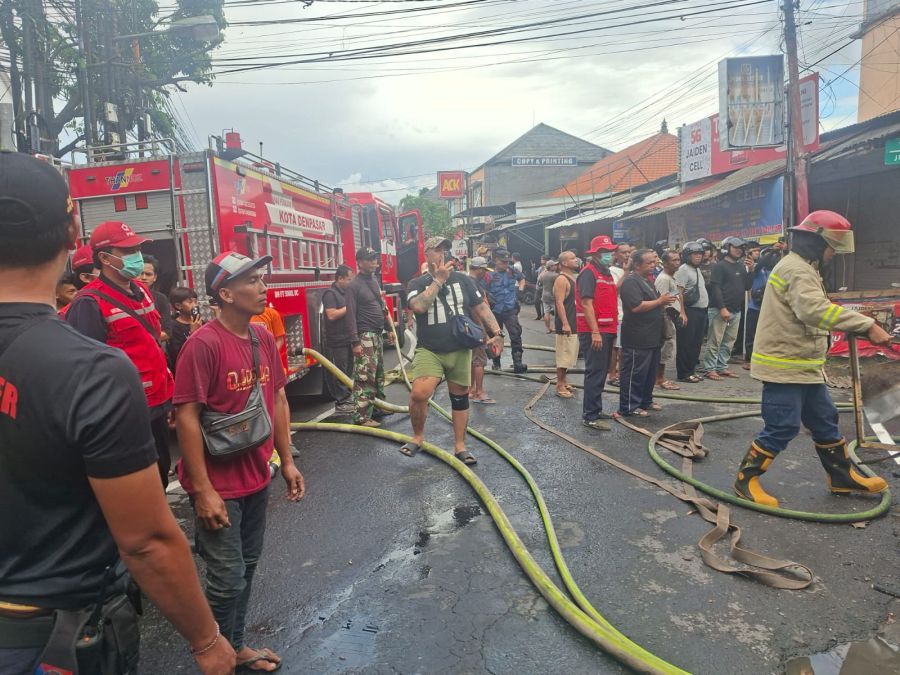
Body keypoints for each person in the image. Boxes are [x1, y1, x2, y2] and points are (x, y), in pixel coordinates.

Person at [0, 152, 235, 675]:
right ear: (73, 235)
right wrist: (207, 641)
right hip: (52, 636)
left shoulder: (131, 310)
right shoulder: (90, 369)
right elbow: (146, 541)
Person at [175, 251, 306, 672]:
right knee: (227, 577)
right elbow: (187, 416)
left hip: (257, 476)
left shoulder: (261, 337)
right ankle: (216, 657)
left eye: (261, 278)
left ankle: (235, 646)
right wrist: (203, 490)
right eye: (252, 281)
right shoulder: (203, 344)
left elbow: (279, 398)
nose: (263, 287)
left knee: (247, 568)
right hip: (219, 486)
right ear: (226, 294)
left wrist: (287, 460)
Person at [733, 211, 891, 507]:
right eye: (832, 246)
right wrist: (866, 325)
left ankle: (841, 477)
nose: (834, 253)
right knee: (782, 426)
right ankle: (746, 480)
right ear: (817, 242)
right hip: (785, 367)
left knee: (825, 420)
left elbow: (814, 307)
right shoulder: (797, 269)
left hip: (804, 366)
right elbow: (813, 311)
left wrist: (856, 320)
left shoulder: (804, 267)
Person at [66, 220, 175, 488]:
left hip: (158, 401)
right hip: (126, 409)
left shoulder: (143, 291)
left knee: (161, 469)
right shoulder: (89, 302)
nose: (136, 256)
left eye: (136, 249)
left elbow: (152, 345)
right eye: (127, 251)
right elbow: (87, 370)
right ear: (104, 258)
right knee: (139, 481)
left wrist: (169, 399)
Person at [399, 237, 504, 465]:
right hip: (430, 349)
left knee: (460, 397)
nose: (442, 254)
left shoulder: (464, 280)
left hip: (460, 348)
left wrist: (497, 333)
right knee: (419, 394)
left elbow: (481, 306)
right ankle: (417, 437)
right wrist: (438, 280)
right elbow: (418, 306)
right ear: (426, 254)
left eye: (444, 250)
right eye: (436, 250)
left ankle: (460, 446)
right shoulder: (416, 283)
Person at [616, 249, 677, 418]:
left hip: (652, 335)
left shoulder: (648, 280)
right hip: (637, 337)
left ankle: (645, 401)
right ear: (637, 265)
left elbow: (654, 302)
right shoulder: (631, 282)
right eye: (649, 263)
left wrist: (664, 300)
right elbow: (636, 306)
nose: (653, 265)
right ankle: (629, 406)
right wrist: (660, 301)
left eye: (654, 262)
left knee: (649, 373)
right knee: (634, 373)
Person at [346, 246, 395, 427]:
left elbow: (382, 307)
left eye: (375, 258)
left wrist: (389, 328)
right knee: (365, 376)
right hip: (364, 336)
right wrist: (355, 342)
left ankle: (378, 407)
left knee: (378, 374)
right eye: (369, 259)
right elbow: (350, 316)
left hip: (377, 333)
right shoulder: (354, 286)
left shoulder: (373, 281)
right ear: (359, 262)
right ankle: (361, 417)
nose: (374, 262)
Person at [575, 235, 619, 430]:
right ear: (595, 254)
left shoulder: (606, 273)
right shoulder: (588, 273)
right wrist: (594, 332)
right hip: (594, 331)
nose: (609, 255)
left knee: (601, 372)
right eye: (604, 252)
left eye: (610, 251)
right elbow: (586, 304)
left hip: (606, 329)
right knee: (595, 372)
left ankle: (596, 409)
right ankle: (590, 416)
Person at [702, 236, 753, 380]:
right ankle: (710, 369)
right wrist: (722, 308)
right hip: (719, 309)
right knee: (715, 340)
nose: (739, 250)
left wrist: (751, 270)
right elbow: (716, 288)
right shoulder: (719, 266)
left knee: (729, 341)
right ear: (727, 248)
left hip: (736, 310)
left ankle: (721, 367)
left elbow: (747, 286)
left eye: (741, 248)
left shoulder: (741, 266)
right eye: (735, 247)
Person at [487, 248, 527, 373]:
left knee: (516, 334)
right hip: (494, 311)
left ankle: (518, 363)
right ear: (496, 260)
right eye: (503, 262)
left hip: (510, 309)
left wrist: (520, 290)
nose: (506, 264)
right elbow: (481, 288)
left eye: (507, 262)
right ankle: (496, 362)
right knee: (495, 337)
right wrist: (487, 297)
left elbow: (522, 278)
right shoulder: (489, 274)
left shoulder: (512, 271)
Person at [322, 264, 355, 414]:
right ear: (340, 278)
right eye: (349, 279)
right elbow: (331, 315)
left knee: (348, 370)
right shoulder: (330, 294)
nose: (350, 282)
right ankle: (341, 402)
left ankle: (348, 398)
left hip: (348, 338)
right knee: (340, 371)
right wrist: (350, 307)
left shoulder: (346, 293)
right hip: (337, 340)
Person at [673, 241, 708, 383]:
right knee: (686, 343)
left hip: (700, 311)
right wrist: (682, 312)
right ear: (687, 255)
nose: (698, 256)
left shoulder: (696, 269)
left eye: (700, 254)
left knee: (696, 343)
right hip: (689, 311)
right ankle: (684, 373)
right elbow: (678, 292)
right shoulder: (683, 270)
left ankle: (691, 370)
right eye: (695, 254)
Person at [740, 247, 780, 371]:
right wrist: (773, 251)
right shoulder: (758, 269)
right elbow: (763, 262)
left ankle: (765, 359)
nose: (771, 258)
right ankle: (748, 360)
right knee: (751, 335)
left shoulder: (776, 271)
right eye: (767, 256)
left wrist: (779, 252)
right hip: (754, 307)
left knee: (768, 336)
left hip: (769, 308)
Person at [654, 250, 685, 391]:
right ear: (665, 263)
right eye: (673, 260)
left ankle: (660, 377)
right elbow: (662, 300)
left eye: (678, 260)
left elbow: (673, 295)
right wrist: (668, 318)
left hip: (672, 316)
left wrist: (681, 312)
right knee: (665, 347)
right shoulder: (663, 279)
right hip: (666, 316)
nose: (677, 263)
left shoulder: (672, 277)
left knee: (669, 346)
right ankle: (659, 378)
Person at [468, 256, 495, 404]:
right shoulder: (473, 285)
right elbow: (476, 309)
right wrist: (482, 329)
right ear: (478, 269)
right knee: (479, 360)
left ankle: (471, 390)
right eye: (484, 270)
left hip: (467, 327)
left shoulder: (466, 282)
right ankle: (479, 392)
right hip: (475, 327)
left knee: (473, 359)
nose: (485, 273)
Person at [552, 251, 580, 399]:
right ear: (564, 263)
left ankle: (564, 381)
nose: (576, 260)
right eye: (572, 258)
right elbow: (559, 302)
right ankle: (560, 384)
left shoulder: (572, 278)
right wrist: (565, 323)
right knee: (563, 354)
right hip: (566, 322)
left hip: (574, 321)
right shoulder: (562, 279)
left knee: (569, 353)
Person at [607, 242, 631, 386]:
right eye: (623, 252)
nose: (627, 255)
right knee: (617, 347)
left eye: (629, 252)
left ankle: (623, 375)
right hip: (619, 313)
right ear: (615, 255)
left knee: (625, 347)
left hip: (630, 313)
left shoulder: (632, 269)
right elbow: (613, 290)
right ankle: (613, 375)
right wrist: (626, 274)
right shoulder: (612, 271)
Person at [167, 285, 202, 373]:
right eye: (190, 302)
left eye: (196, 301)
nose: (195, 305)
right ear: (178, 306)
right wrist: (193, 333)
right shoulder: (173, 327)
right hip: (186, 370)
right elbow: (179, 355)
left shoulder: (201, 322)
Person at [139, 253, 173, 343]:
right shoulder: (124, 296)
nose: (144, 277)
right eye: (140, 273)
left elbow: (167, 332)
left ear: (155, 277)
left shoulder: (161, 299)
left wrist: (143, 340)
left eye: (148, 274)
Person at [251, 303, 288, 374]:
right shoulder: (241, 315)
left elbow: (280, 340)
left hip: (269, 365)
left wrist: (269, 356)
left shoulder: (272, 313)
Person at [538, 259, 559, 334]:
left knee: (546, 312)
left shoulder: (543, 275)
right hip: (552, 296)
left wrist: (544, 271)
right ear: (551, 267)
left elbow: (539, 280)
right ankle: (557, 327)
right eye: (554, 265)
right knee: (557, 313)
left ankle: (548, 328)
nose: (556, 266)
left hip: (544, 295)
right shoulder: (555, 275)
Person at [533, 254, 548, 320]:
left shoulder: (548, 268)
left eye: (543, 259)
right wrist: (533, 268)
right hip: (538, 287)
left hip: (545, 287)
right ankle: (539, 315)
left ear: (546, 260)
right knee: (536, 301)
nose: (541, 260)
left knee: (544, 303)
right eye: (541, 259)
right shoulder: (540, 268)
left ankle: (545, 315)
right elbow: (534, 275)